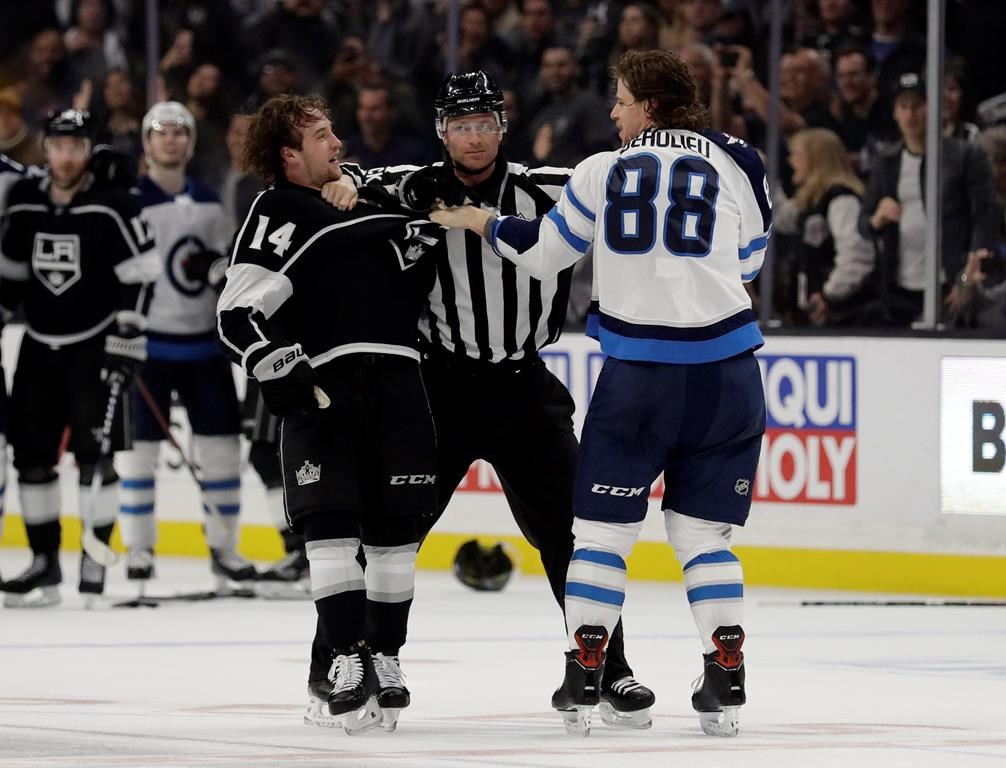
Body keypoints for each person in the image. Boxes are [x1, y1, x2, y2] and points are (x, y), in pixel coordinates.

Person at [430, 49, 769, 737]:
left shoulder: (599, 169)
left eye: (619, 99)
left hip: (640, 376)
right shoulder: (740, 157)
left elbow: (546, 253)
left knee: (603, 536)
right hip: (730, 373)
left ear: (648, 104)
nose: (612, 112)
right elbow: (750, 259)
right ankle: (725, 669)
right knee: (705, 536)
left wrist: (482, 223)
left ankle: (586, 669)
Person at [330, 70, 656, 729]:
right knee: (392, 531)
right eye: (461, 125)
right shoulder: (414, 186)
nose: (474, 138)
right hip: (439, 388)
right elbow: (348, 178)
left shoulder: (550, 190)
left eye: (485, 124)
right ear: (442, 132)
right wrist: (343, 182)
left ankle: (605, 667)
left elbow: (631, 181)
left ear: (502, 129)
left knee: (573, 535)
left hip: (522, 387)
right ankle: (348, 661)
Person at [216, 93, 441, 732]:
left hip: (400, 377)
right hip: (329, 386)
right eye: (321, 135)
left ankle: (387, 658)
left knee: (396, 534)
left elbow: (421, 220)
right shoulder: (277, 209)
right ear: (290, 153)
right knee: (331, 530)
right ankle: (345, 659)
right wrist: (268, 359)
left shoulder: (362, 195)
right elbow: (236, 313)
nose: (337, 142)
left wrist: (369, 196)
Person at [0, 109, 158, 607]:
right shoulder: (25, 202)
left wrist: (128, 338)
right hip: (39, 346)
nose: (67, 156)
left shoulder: (114, 203)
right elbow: (12, 276)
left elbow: (142, 275)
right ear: (45, 148)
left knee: (97, 457)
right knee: (31, 458)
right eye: (59, 145)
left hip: (95, 345)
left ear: (89, 149)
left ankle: (96, 553)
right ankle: (44, 560)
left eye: (76, 146)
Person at [116, 101, 257, 590]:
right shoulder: (129, 200)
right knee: (138, 454)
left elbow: (224, 268)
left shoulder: (211, 201)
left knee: (220, 451)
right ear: (146, 142)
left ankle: (224, 548)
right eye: (161, 132)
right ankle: (139, 547)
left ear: (190, 142)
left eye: (180, 132)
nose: (171, 140)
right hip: (149, 348)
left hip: (204, 346)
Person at [858, 73, 999, 326]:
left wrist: (967, 277)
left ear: (932, 109)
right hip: (899, 288)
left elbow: (984, 217)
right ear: (895, 113)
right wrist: (877, 219)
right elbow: (864, 224)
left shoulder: (964, 156)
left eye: (917, 106)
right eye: (904, 106)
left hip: (950, 283)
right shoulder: (887, 162)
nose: (911, 115)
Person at [774, 128, 875, 325]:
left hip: (845, 317)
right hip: (815, 315)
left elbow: (856, 257)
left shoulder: (842, 200)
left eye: (796, 155)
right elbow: (781, 218)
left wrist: (829, 295)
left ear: (814, 159)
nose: (791, 161)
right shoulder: (812, 201)